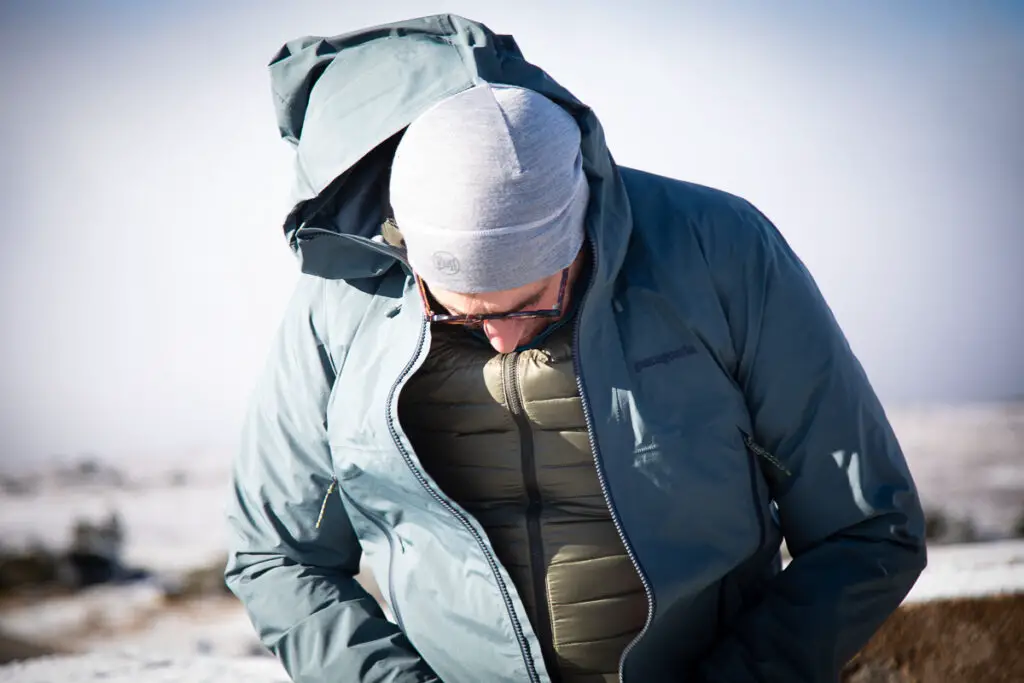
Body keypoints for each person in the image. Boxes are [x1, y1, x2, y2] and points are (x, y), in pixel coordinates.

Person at [225, 14, 926, 683]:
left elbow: (869, 528)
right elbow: (276, 553)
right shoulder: (338, 305)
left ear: (579, 229)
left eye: (533, 302)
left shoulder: (723, 252)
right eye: (457, 315)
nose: (499, 338)